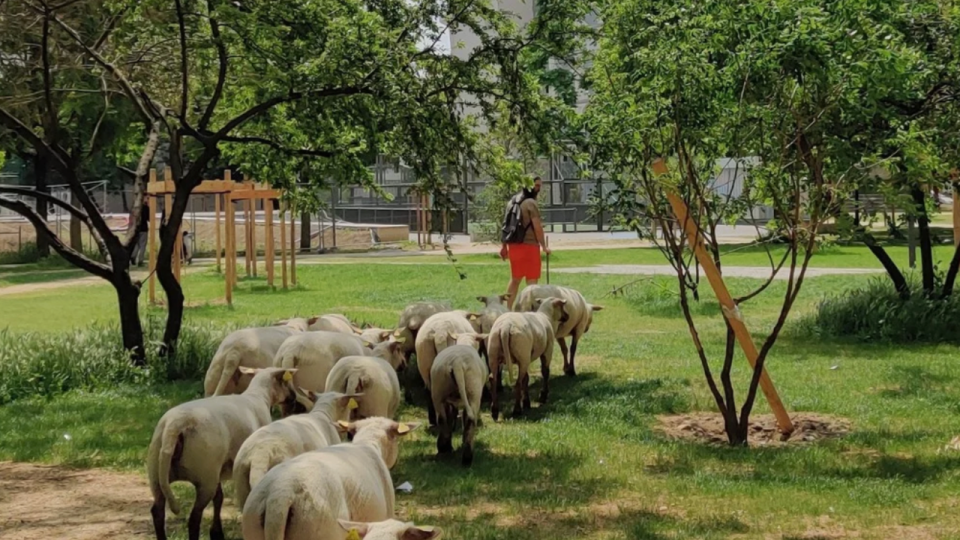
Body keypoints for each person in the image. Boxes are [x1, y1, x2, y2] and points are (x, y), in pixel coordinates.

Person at [500, 176, 550, 309]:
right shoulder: (530, 203)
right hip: (530, 246)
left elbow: (505, 226)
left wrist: (504, 246)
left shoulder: (512, 202)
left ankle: (506, 309)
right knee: (532, 282)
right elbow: (537, 227)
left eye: (539, 186)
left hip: (513, 246)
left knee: (515, 279)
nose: (538, 189)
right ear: (528, 185)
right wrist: (544, 246)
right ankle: (530, 311)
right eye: (537, 186)